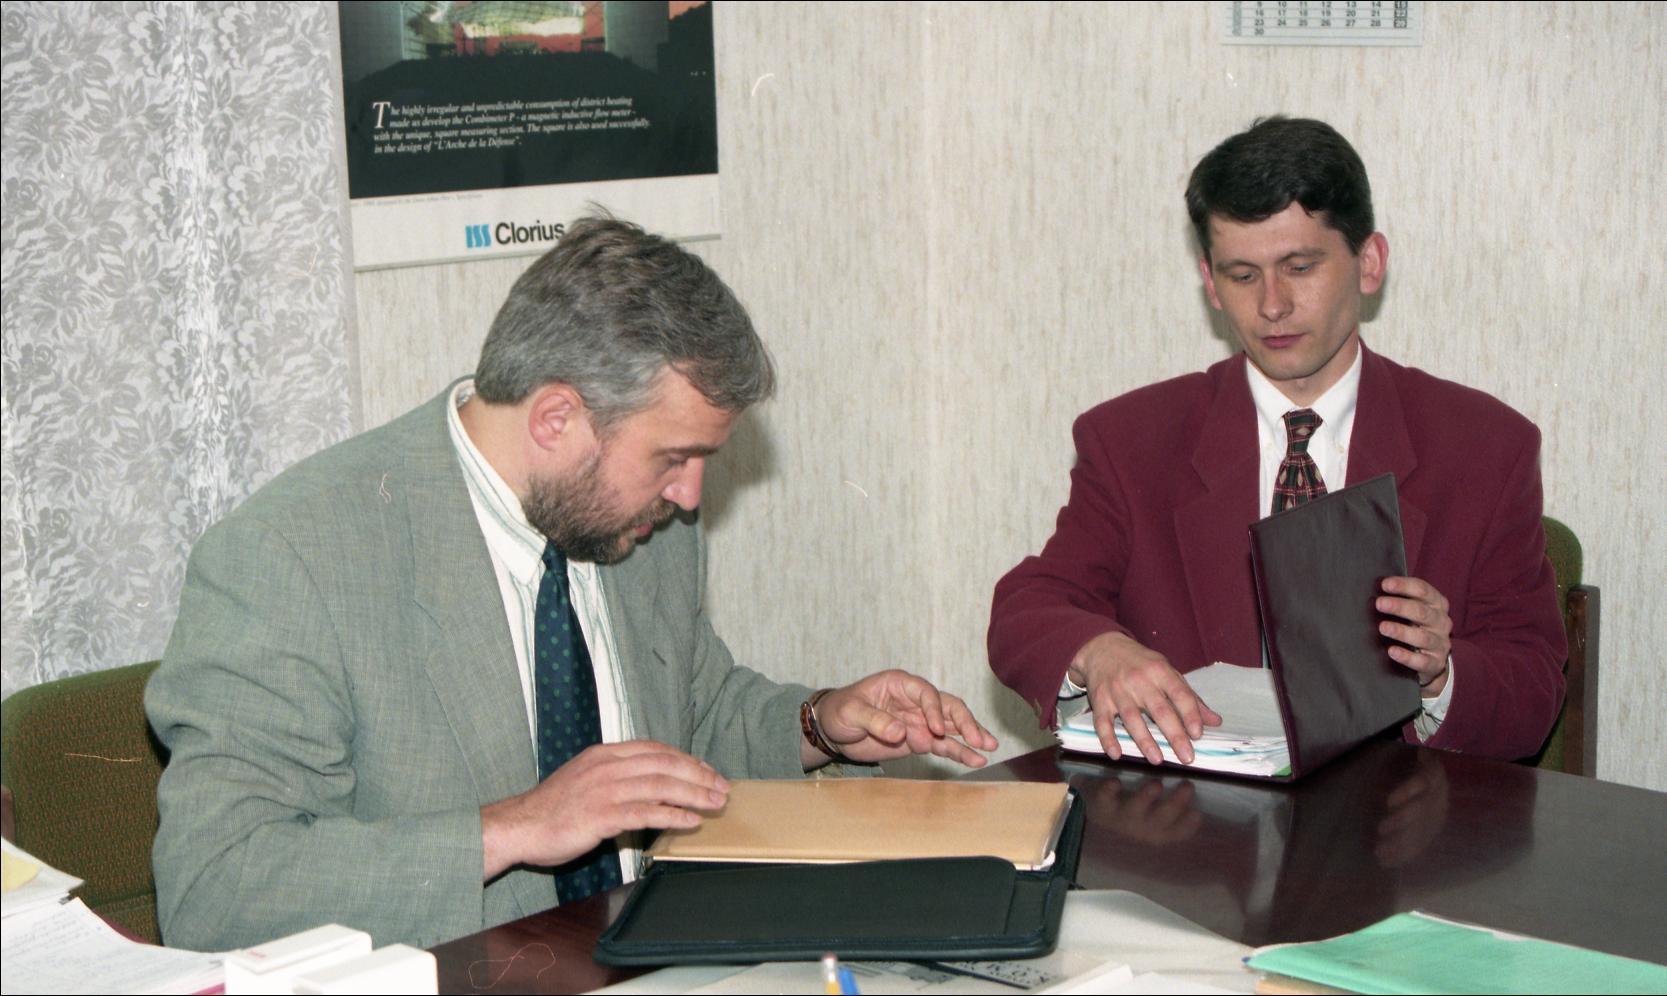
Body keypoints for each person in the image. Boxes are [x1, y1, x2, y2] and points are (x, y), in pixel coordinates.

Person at [147, 216, 997, 952]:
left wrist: (819, 723)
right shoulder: (293, 557)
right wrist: (516, 827)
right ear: (556, 418)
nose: (690, 495)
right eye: (673, 457)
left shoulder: (638, 522)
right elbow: (216, 886)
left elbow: (687, 719)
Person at [988, 116, 1565, 768]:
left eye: (1299, 267)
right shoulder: (1131, 441)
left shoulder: (1484, 447)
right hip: (1195, 813)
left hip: (1398, 815)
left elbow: (1532, 685)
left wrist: (1441, 673)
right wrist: (1098, 651)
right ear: (1210, 284)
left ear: (1369, 263)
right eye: (1242, 275)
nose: (1271, 305)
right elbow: (1029, 607)